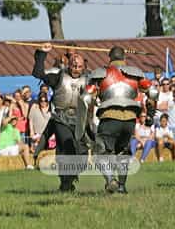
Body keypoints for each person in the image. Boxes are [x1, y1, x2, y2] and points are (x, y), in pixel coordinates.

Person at [78, 46, 152, 193]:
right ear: (124, 58)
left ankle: (111, 180)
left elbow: (86, 97)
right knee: (122, 153)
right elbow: (153, 92)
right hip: (130, 120)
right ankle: (122, 187)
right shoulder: (136, 73)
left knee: (100, 153)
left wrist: (85, 123)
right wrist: (150, 113)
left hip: (110, 117)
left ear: (109, 57)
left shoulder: (101, 73)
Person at [32, 42, 88, 192]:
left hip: (80, 120)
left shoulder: (89, 80)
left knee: (82, 153)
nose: (76, 69)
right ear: (68, 65)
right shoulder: (58, 77)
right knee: (68, 146)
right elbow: (39, 73)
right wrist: (42, 54)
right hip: (61, 119)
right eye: (73, 66)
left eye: (79, 67)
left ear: (83, 67)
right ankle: (66, 182)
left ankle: (69, 178)